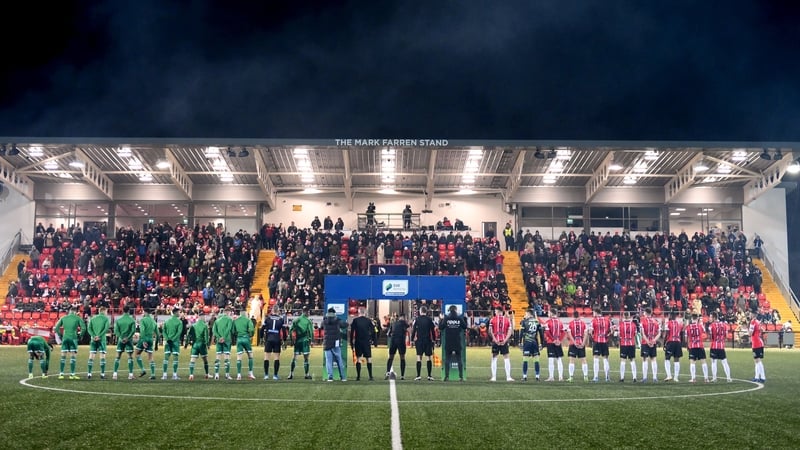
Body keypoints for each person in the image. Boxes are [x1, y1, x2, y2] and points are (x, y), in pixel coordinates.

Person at [54, 305, 87, 380]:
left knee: (63, 356)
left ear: (69, 311)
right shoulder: (77, 318)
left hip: (65, 337)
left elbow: (56, 328)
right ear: (75, 312)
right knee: (73, 356)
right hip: (73, 338)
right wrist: (80, 335)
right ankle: (72, 374)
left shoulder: (63, 318)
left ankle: (61, 374)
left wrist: (60, 335)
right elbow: (84, 328)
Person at [439, 306, 467, 381]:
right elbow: (465, 327)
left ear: (449, 310)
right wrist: (465, 318)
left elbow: (441, 327)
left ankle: (446, 376)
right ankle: (461, 377)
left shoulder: (446, 318)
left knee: (447, 359)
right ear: (456, 310)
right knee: (459, 359)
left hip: (449, 342)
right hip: (457, 341)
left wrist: (441, 319)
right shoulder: (459, 318)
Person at [350, 306, 377, 381]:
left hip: (358, 341)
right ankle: (370, 376)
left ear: (358, 312)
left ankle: (358, 376)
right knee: (368, 358)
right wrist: (373, 340)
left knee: (358, 358)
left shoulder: (355, 320)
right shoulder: (368, 321)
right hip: (366, 342)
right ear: (365, 312)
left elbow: (352, 332)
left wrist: (351, 343)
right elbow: (373, 331)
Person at [488, 306, 514, 382]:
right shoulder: (507, 320)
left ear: (498, 311)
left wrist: (495, 339)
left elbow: (490, 331)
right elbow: (510, 331)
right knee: (506, 358)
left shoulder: (492, 319)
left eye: (495, 311)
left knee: (494, 358)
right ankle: (508, 377)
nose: (495, 313)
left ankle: (494, 377)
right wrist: (505, 340)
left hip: (495, 341)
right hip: (504, 341)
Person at [411, 305, 436, 381]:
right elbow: (433, 330)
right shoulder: (429, 320)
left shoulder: (417, 320)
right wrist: (434, 339)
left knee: (419, 357)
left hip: (419, 341)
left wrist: (412, 339)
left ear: (420, 311)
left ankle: (418, 376)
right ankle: (429, 376)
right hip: (427, 340)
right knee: (428, 357)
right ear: (426, 312)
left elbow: (414, 330)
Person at [288, 306, 314, 380]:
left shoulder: (296, 320)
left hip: (297, 341)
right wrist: (312, 341)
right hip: (305, 341)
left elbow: (291, 330)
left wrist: (291, 340)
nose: (309, 314)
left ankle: (291, 373)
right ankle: (306, 374)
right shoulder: (308, 321)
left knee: (295, 357)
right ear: (306, 312)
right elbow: (311, 332)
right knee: (306, 358)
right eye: (308, 312)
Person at [112, 305, 137, 380]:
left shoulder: (119, 320)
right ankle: (130, 375)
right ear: (129, 311)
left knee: (118, 356)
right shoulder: (132, 320)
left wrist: (121, 337)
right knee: (130, 357)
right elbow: (133, 331)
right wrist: (128, 338)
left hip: (121, 340)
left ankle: (115, 374)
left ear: (123, 310)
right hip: (129, 340)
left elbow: (116, 331)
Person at [261, 305, 285, 380]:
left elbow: (262, 329)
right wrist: (284, 340)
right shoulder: (281, 319)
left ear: (272, 310)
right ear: (278, 311)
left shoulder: (268, 318)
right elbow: (284, 331)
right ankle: (275, 375)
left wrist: (261, 338)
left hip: (269, 339)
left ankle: (266, 375)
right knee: (276, 358)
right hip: (277, 339)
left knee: (266, 357)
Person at [323, 307, 347, 382]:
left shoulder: (324, 321)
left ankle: (330, 377)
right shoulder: (338, 320)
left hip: (327, 343)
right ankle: (342, 377)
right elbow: (345, 325)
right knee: (339, 361)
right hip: (335, 343)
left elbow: (321, 326)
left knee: (328, 361)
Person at [134, 309, 159, 380]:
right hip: (151, 339)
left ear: (145, 312)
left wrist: (144, 341)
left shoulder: (143, 320)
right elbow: (158, 334)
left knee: (137, 354)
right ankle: (153, 374)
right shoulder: (153, 321)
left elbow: (142, 330)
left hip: (143, 339)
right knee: (150, 357)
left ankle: (143, 370)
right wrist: (156, 345)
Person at [86, 305, 110, 380]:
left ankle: (89, 373)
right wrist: (99, 336)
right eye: (106, 311)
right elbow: (106, 329)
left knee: (91, 355)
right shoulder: (106, 319)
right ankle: (102, 374)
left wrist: (94, 336)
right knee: (102, 356)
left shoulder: (93, 318)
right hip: (101, 339)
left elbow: (89, 328)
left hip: (93, 339)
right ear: (104, 311)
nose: (107, 313)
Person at [520, 308, 544, 381]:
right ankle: (537, 376)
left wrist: (520, 342)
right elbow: (541, 334)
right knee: (536, 359)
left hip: (527, 343)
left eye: (526, 314)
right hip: (535, 343)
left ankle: (524, 376)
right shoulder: (537, 322)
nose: (525, 315)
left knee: (525, 359)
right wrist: (541, 343)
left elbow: (521, 333)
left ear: (529, 314)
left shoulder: (524, 322)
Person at [708, 312, 732, 382]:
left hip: (714, 346)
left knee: (713, 362)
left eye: (711, 317)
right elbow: (726, 335)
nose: (709, 318)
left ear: (714, 317)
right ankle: (728, 378)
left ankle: (714, 378)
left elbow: (711, 336)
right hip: (721, 346)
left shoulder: (711, 326)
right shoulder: (724, 325)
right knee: (724, 362)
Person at [589, 308, 611, 382]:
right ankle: (607, 377)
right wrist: (607, 335)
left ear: (596, 313)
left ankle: (596, 377)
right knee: (605, 359)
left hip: (597, 341)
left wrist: (593, 336)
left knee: (596, 359)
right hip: (604, 341)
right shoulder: (607, 320)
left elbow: (590, 331)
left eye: (593, 313)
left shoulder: (593, 320)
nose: (593, 314)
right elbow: (611, 331)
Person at [233, 307, 256, 380]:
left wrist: (237, 335)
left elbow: (233, 331)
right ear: (246, 313)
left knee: (239, 357)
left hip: (239, 339)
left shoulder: (236, 321)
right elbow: (251, 329)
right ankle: (250, 373)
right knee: (250, 356)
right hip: (246, 338)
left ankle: (239, 375)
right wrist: (250, 335)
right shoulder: (248, 320)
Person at [212, 306, 234, 380]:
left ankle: (216, 375)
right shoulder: (229, 319)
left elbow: (214, 331)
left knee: (218, 357)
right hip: (226, 340)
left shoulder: (217, 320)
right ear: (228, 312)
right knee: (226, 357)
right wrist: (223, 337)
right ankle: (227, 375)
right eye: (230, 312)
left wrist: (219, 337)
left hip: (219, 340)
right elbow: (229, 329)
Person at [639, 307, 661, 383]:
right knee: (653, 359)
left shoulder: (643, 321)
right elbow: (659, 333)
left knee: (645, 359)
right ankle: (655, 378)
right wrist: (654, 340)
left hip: (645, 342)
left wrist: (648, 341)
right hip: (653, 342)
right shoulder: (656, 321)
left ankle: (645, 378)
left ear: (645, 313)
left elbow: (642, 333)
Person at [543, 308, 565, 382]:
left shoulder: (548, 322)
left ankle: (551, 377)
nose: (548, 314)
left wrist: (553, 340)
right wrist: (559, 340)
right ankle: (560, 377)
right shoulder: (560, 322)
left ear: (552, 313)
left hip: (551, 342)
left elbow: (547, 332)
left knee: (551, 360)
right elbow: (563, 332)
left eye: (549, 313)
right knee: (559, 359)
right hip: (558, 343)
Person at [161, 307, 183, 380]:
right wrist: (173, 339)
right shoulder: (179, 322)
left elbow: (164, 331)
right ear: (175, 313)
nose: (180, 313)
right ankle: (174, 375)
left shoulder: (167, 321)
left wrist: (168, 339)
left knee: (166, 358)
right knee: (175, 358)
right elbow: (179, 332)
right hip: (175, 342)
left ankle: (164, 375)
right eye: (179, 312)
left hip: (168, 342)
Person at [685, 314, 709, 383]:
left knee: (692, 362)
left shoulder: (688, 327)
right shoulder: (700, 326)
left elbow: (686, 339)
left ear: (691, 319)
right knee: (703, 362)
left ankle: (693, 378)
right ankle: (706, 378)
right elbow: (704, 332)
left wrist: (688, 345)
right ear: (697, 319)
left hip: (692, 346)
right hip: (700, 345)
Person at [188, 313, 211, 380]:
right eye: (204, 317)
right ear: (202, 317)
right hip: (202, 344)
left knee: (192, 360)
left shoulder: (194, 325)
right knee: (205, 360)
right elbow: (206, 336)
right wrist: (208, 344)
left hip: (195, 344)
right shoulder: (205, 325)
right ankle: (207, 374)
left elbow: (189, 334)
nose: (205, 318)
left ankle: (191, 375)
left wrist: (187, 343)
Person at [386, 313, 410, 380]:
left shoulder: (393, 323)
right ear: (404, 317)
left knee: (391, 357)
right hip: (401, 341)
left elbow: (388, 334)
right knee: (402, 357)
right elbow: (409, 328)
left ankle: (388, 372)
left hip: (393, 341)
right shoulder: (404, 323)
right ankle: (402, 376)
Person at [566, 310, 588, 382]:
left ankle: (571, 377)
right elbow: (586, 334)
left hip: (573, 344)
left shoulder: (570, 324)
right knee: (583, 360)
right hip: (581, 343)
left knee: (572, 360)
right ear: (579, 315)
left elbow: (569, 334)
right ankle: (585, 376)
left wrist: (574, 342)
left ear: (573, 316)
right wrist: (583, 343)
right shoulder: (583, 323)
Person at [662, 311, 684, 382]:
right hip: (678, 342)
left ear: (670, 316)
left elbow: (666, 334)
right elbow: (681, 334)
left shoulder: (668, 323)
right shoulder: (679, 324)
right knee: (676, 359)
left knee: (667, 359)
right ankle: (676, 377)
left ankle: (669, 375)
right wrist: (681, 343)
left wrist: (664, 343)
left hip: (670, 342)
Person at [617, 312, 638, 382]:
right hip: (631, 344)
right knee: (632, 360)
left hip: (624, 344)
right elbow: (635, 334)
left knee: (623, 360)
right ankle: (634, 377)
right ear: (629, 316)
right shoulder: (633, 325)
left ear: (623, 316)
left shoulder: (621, 325)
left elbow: (619, 335)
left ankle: (622, 378)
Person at [749, 313, 766, 383]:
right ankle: (760, 377)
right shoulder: (758, 322)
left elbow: (750, 333)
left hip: (756, 343)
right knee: (758, 360)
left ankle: (759, 377)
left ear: (753, 315)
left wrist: (748, 331)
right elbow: (763, 330)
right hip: (759, 342)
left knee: (757, 360)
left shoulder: (753, 322)